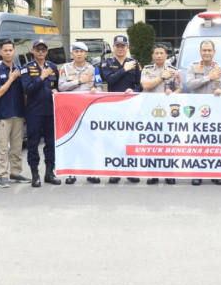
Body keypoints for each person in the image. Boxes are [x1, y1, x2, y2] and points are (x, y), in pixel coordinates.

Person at [186, 40, 221, 186]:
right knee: (197, 142)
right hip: (197, 112)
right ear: (200, 52)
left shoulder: (220, 68)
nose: (206, 53)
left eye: (209, 50)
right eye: (204, 50)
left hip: (216, 113)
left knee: (215, 142)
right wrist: (208, 78)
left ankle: (215, 173)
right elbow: (190, 84)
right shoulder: (192, 67)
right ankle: (197, 173)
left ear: (214, 52)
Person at [99, 34, 142, 184]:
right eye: (117, 46)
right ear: (114, 47)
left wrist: (134, 91)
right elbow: (109, 80)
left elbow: (140, 84)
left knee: (130, 138)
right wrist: (124, 70)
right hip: (114, 106)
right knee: (114, 139)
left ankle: (131, 171)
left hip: (131, 105)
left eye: (123, 46)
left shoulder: (135, 63)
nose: (120, 48)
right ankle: (114, 171)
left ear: (127, 47)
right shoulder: (107, 63)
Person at [58, 41, 103, 185]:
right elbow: (61, 87)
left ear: (86, 54)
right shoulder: (65, 68)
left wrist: (96, 91)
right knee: (72, 141)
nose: (79, 54)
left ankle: (90, 172)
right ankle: (71, 173)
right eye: (76, 51)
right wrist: (79, 81)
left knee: (89, 142)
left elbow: (100, 86)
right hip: (70, 111)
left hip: (87, 111)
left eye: (82, 52)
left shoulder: (93, 69)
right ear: (72, 54)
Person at [20, 38, 62, 187]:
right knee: (33, 143)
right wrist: (42, 77)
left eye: (43, 49)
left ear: (47, 51)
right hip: (34, 112)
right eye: (38, 49)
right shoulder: (26, 68)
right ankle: (35, 175)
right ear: (32, 51)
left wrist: (56, 90)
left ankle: (49, 173)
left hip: (50, 111)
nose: (40, 52)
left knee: (50, 143)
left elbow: (57, 86)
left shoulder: (53, 67)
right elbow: (27, 89)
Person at [0, 39, 30, 188]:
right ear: (0, 53)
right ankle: (3, 175)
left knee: (16, 147)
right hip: (2, 116)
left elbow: (24, 94)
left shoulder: (20, 70)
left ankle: (16, 172)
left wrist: (25, 112)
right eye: (5, 50)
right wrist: (10, 79)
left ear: (14, 52)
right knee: (1, 148)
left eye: (10, 50)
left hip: (18, 114)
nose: (8, 52)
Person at [140, 43, 181, 185]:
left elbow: (179, 89)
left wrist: (172, 94)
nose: (158, 56)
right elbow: (145, 86)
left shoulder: (174, 71)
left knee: (169, 141)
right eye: (156, 53)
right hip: (150, 111)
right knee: (152, 141)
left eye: (161, 53)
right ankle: (152, 173)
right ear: (152, 56)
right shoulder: (146, 69)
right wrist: (162, 77)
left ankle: (169, 172)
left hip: (168, 112)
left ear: (166, 55)